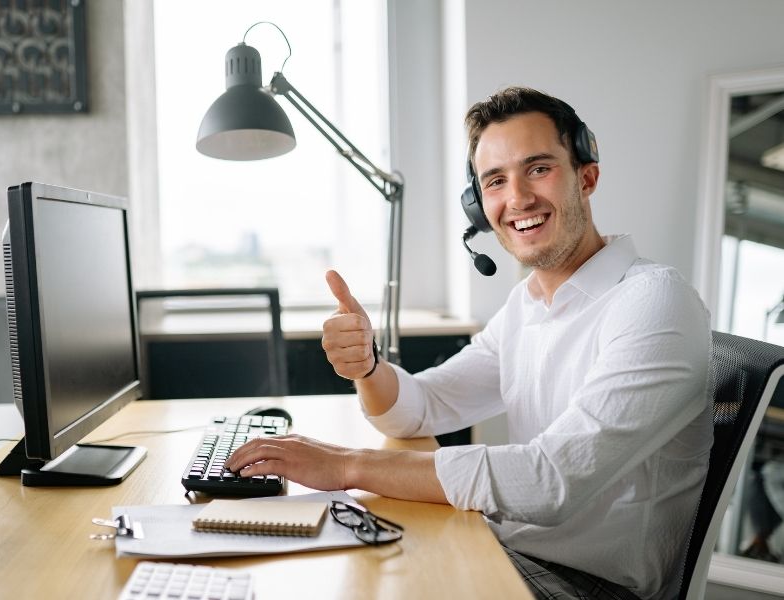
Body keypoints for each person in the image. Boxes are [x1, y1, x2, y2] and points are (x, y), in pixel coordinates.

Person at [226, 87, 713, 600]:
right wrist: (367, 367)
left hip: (591, 586)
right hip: (510, 548)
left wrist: (346, 466)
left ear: (586, 177)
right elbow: (423, 407)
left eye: (539, 169)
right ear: (479, 205)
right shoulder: (527, 305)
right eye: (496, 181)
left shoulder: (654, 302)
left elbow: (550, 483)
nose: (518, 198)